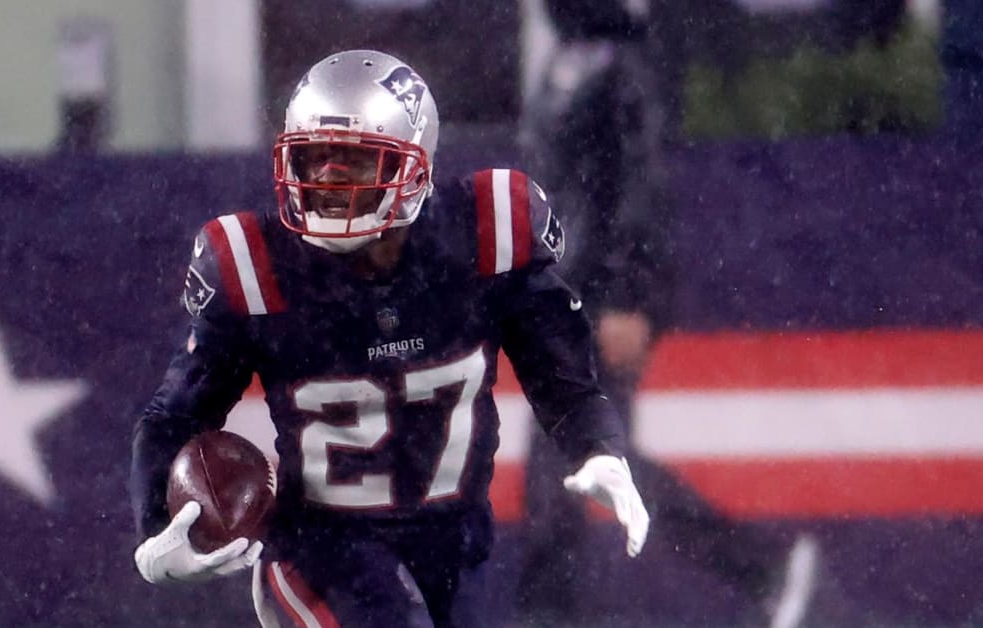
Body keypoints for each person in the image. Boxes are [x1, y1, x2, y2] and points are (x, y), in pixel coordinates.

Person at [128, 49, 650, 628]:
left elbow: (565, 383)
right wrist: (155, 525)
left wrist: (599, 449)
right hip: (322, 549)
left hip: (456, 544)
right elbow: (174, 417)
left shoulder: (483, 236)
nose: (327, 182)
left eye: (352, 163)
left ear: (415, 168)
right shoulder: (259, 266)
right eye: (314, 160)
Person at [513, 2, 820, 628]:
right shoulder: (568, 60)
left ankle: (754, 564)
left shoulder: (623, 65)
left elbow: (639, 187)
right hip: (568, 292)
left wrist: (628, 295)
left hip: (599, 296)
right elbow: (560, 188)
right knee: (574, 463)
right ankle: (756, 565)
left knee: (573, 463)